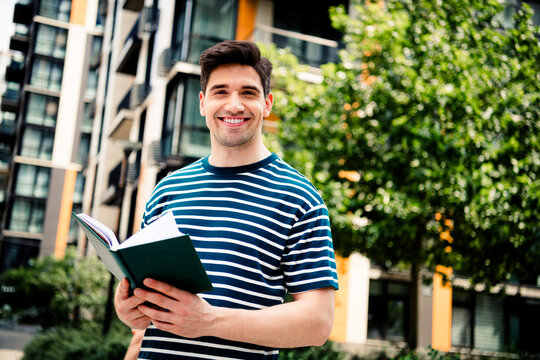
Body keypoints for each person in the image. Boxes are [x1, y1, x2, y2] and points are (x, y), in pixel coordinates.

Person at [114, 40, 339, 360]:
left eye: (248, 93)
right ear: (203, 102)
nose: (234, 105)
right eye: (221, 92)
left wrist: (209, 321)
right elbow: (144, 309)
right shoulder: (167, 189)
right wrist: (126, 309)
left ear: (268, 104)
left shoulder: (299, 197)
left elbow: (317, 323)